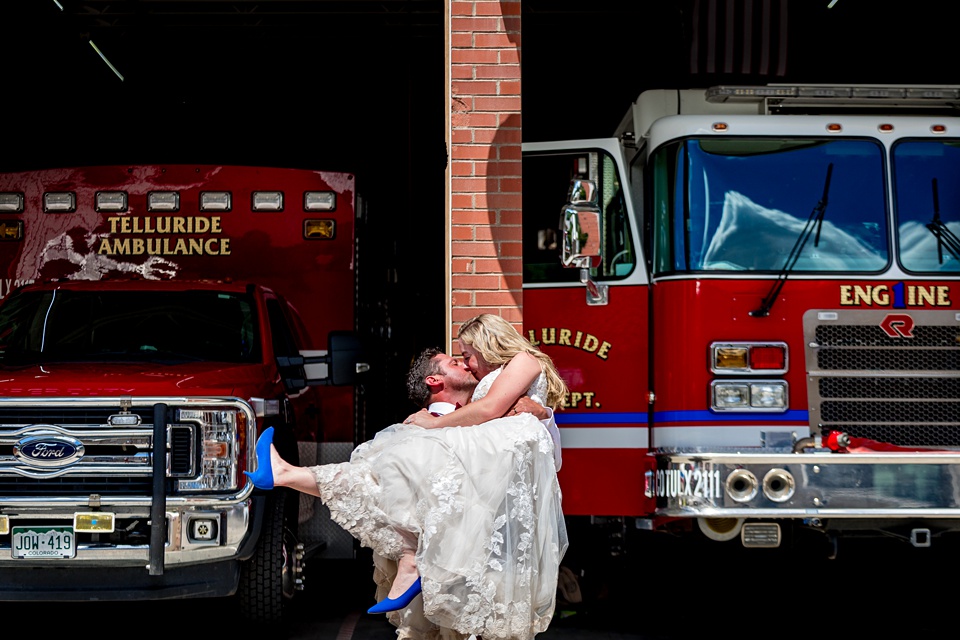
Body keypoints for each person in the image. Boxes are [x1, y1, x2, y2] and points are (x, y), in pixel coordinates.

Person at [245, 314, 568, 640]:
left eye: (466, 354)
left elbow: (490, 412)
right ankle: (287, 474)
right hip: (495, 461)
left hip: (502, 462)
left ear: (488, 343)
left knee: (393, 461)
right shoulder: (491, 382)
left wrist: (435, 426)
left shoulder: (522, 361)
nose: (467, 364)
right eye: (460, 359)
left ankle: (406, 554)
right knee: (383, 469)